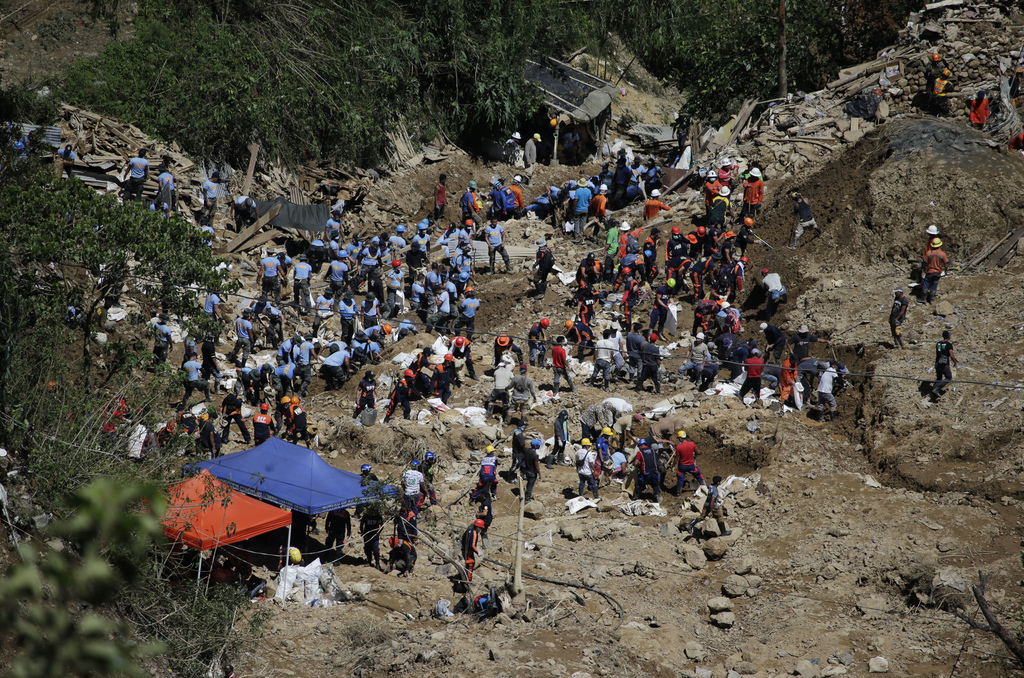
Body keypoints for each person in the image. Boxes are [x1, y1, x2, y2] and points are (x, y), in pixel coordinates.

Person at [672, 431, 704, 496]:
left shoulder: (679, 447)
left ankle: (678, 494)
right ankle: (704, 487)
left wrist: (673, 464)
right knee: (698, 475)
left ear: (680, 439)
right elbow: (697, 452)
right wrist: (694, 457)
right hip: (691, 466)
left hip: (682, 467)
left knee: (680, 479)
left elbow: (676, 458)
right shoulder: (692, 444)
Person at [920, 238, 948, 304]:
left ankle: (923, 298)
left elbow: (924, 262)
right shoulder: (942, 254)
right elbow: (946, 264)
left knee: (926, 284)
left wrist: (924, 269)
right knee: (934, 285)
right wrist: (946, 271)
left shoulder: (929, 253)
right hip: (938, 272)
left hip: (929, 271)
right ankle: (932, 299)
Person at [931, 329, 958, 400]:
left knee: (939, 378)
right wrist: (955, 362)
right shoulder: (949, 345)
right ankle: (936, 389)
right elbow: (951, 355)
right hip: (944, 363)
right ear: (949, 336)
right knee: (948, 377)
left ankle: (933, 394)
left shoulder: (938, 343)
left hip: (937, 363)